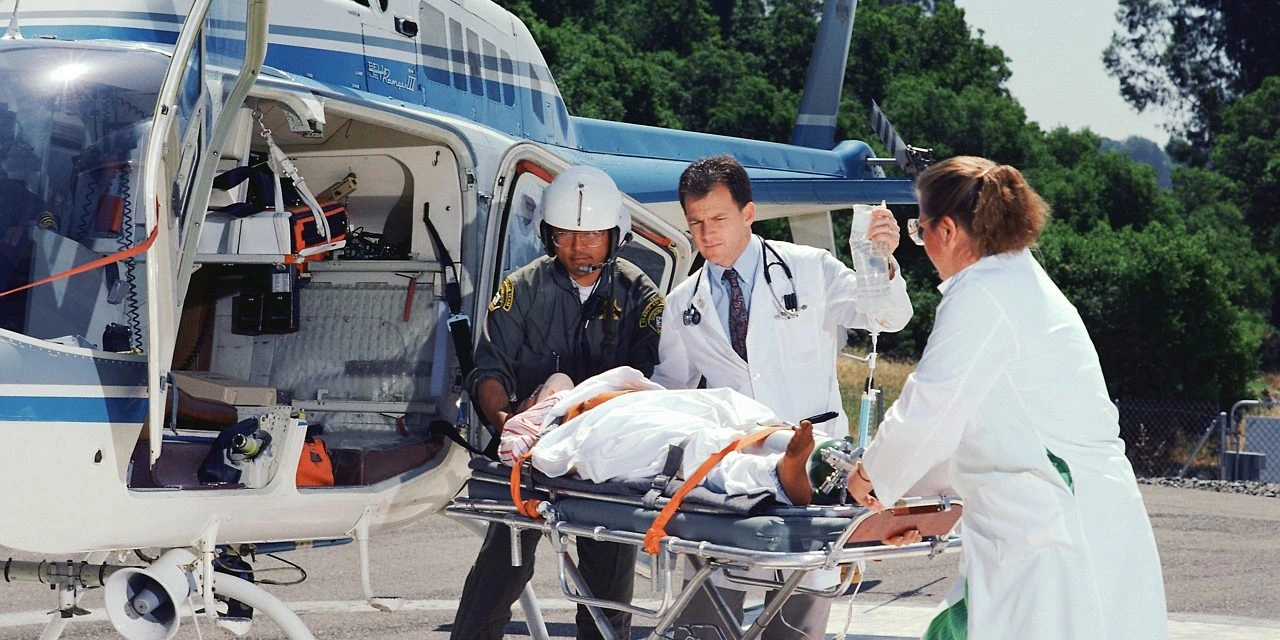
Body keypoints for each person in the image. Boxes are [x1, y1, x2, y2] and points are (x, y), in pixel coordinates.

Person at [848, 156, 1168, 640]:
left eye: (920, 229)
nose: (923, 242)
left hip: (1051, 530)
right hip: (1064, 514)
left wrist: (870, 477)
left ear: (948, 230)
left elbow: (930, 408)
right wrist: (910, 497)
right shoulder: (1016, 280)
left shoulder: (982, 297)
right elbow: (975, 424)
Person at [651, 154, 913, 639]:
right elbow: (673, 392)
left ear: (749, 214)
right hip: (736, 479)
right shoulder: (683, 304)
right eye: (696, 223)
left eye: (719, 219)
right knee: (705, 620)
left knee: (797, 626)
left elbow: (886, 316)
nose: (707, 234)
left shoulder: (809, 269)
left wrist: (881, 260)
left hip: (814, 474)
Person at [450, 166, 665, 640]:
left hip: (604, 457)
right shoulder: (520, 290)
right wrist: (508, 423)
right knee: (501, 566)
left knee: (608, 583)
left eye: (591, 235)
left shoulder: (640, 296)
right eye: (566, 234)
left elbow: (653, 378)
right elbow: (489, 370)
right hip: (529, 455)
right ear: (549, 234)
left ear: (615, 235)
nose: (578, 247)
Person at [497, 366, 853, 508]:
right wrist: (537, 410)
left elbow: (561, 382)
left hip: (641, 401)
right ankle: (779, 473)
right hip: (597, 429)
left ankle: (823, 452)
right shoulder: (533, 424)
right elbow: (518, 448)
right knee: (687, 444)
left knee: (728, 407)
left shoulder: (577, 390)